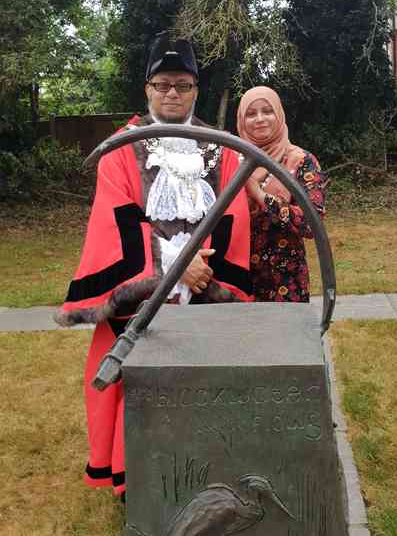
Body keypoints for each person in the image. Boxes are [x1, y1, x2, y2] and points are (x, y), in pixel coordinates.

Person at [55, 37, 252, 498]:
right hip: (147, 290)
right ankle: (139, 483)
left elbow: (234, 215)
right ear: (147, 88)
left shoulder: (221, 149)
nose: (172, 94)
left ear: (195, 90)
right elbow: (116, 218)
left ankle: (205, 476)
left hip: (205, 287)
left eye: (182, 85)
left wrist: (204, 271)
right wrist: (171, 266)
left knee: (204, 384)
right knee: (140, 386)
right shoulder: (122, 149)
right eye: (162, 84)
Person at [237, 86, 325, 303]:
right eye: (251, 113)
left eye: (267, 111)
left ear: (279, 114)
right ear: (241, 119)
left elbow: (312, 223)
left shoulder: (301, 161)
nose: (259, 119)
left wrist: (261, 196)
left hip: (285, 281)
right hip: (237, 277)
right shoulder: (231, 160)